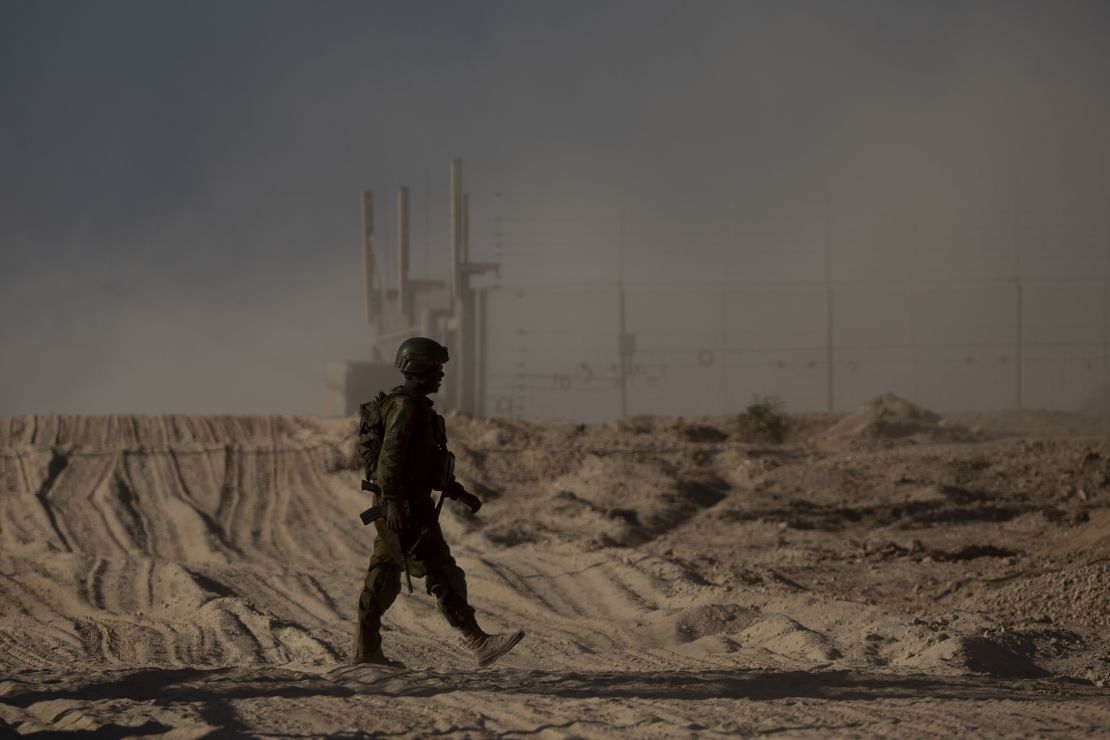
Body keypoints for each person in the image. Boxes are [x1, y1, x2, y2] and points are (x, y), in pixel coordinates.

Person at [353, 336, 525, 668]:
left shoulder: (417, 408)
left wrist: (459, 492)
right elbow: (390, 458)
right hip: (403, 507)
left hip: (401, 504)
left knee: (383, 578)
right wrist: (394, 504)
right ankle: (478, 641)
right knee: (441, 570)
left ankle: (366, 652)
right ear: (419, 368)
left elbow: (425, 464)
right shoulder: (404, 408)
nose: (441, 375)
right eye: (436, 368)